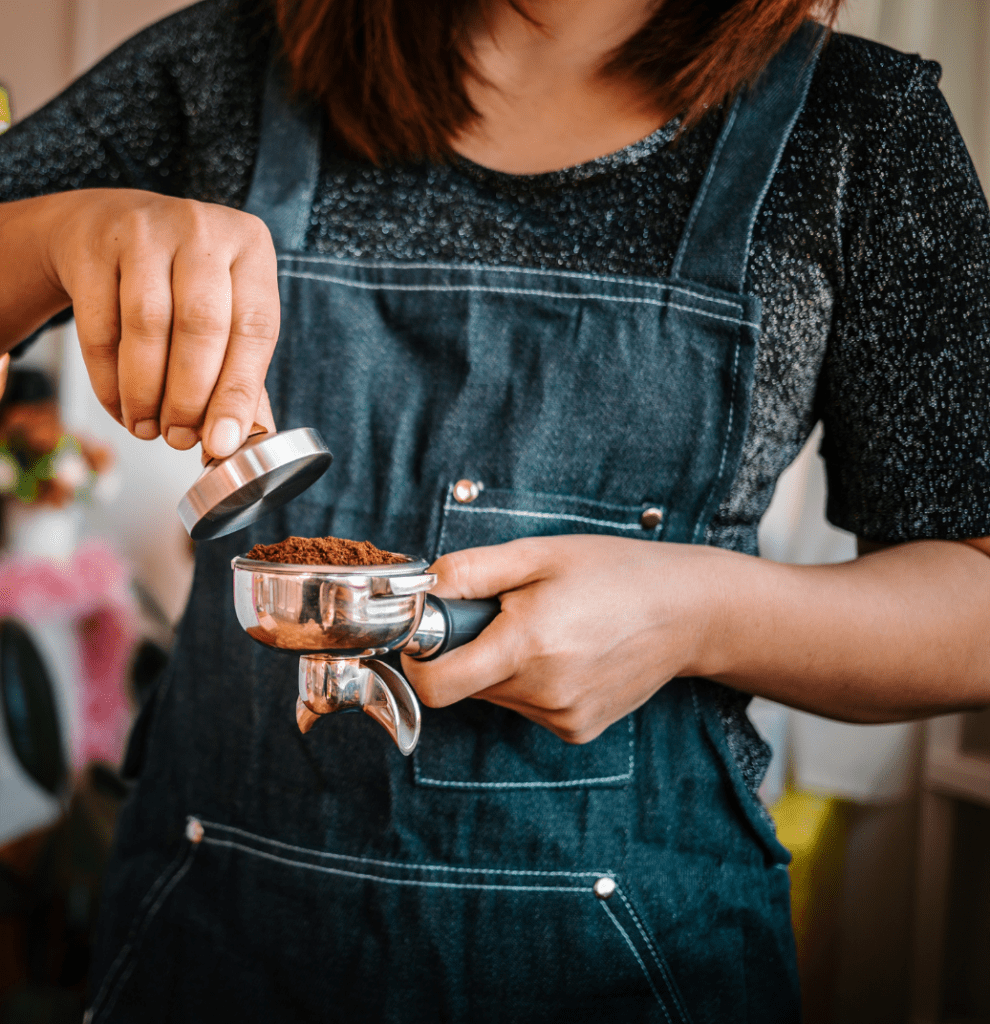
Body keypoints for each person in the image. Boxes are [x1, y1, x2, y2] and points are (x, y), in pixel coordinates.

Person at [2, 0, 990, 1020]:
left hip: (636, 968)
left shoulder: (858, 128)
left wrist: (700, 613)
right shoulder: (231, 60)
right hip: (202, 950)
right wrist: (57, 232)